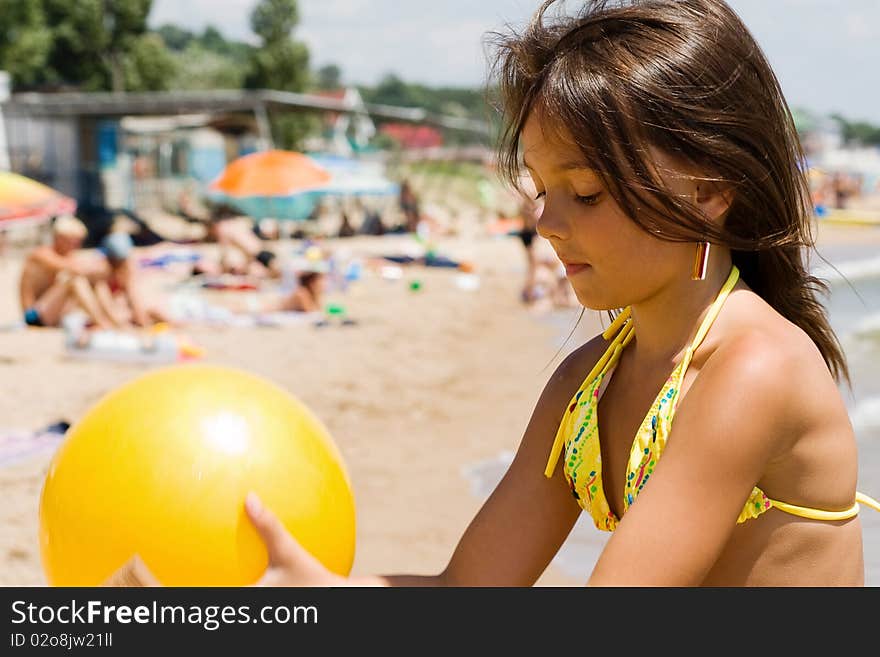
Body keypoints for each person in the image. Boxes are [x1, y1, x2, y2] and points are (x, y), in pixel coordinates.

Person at [242, 0, 880, 586]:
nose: (546, 223)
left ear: (710, 193)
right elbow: (467, 596)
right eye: (543, 190)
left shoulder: (755, 371)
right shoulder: (586, 386)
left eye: (587, 193)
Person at [18, 215, 118, 329]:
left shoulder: (67, 256)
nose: (77, 246)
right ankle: (103, 323)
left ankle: (115, 321)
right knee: (74, 281)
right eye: (74, 242)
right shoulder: (41, 255)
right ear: (59, 238)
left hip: (52, 311)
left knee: (97, 283)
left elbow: (94, 270)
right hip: (33, 316)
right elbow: (75, 268)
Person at [91, 232, 174, 328]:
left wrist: (142, 317)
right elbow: (104, 302)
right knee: (123, 312)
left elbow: (132, 295)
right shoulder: (102, 273)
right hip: (106, 310)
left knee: (153, 310)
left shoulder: (125, 269)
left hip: (117, 307)